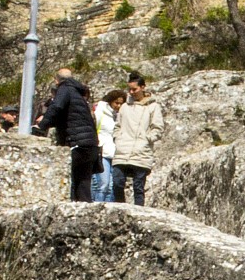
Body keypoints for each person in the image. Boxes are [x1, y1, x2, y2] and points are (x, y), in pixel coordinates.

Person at [34, 67, 100, 200]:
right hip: (90, 142)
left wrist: (41, 126)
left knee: (69, 180)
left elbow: (57, 107)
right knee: (83, 183)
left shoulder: (65, 89)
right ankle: (84, 213)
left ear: (56, 80)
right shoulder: (78, 93)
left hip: (76, 142)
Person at [112, 72, 164, 204]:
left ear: (142, 87)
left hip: (141, 151)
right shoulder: (124, 107)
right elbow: (117, 126)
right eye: (129, 89)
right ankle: (120, 210)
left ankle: (139, 214)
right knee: (117, 183)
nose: (131, 92)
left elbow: (158, 127)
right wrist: (117, 139)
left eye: (134, 89)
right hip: (122, 150)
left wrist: (147, 139)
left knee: (138, 187)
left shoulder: (153, 107)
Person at [92, 87, 125, 203]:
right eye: (116, 103)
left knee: (111, 187)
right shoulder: (100, 112)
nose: (118, 106)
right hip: (102, 152)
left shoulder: (119, 116)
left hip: (114, 153)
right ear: (110, 101)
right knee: (103, 185)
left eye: (121, 103)